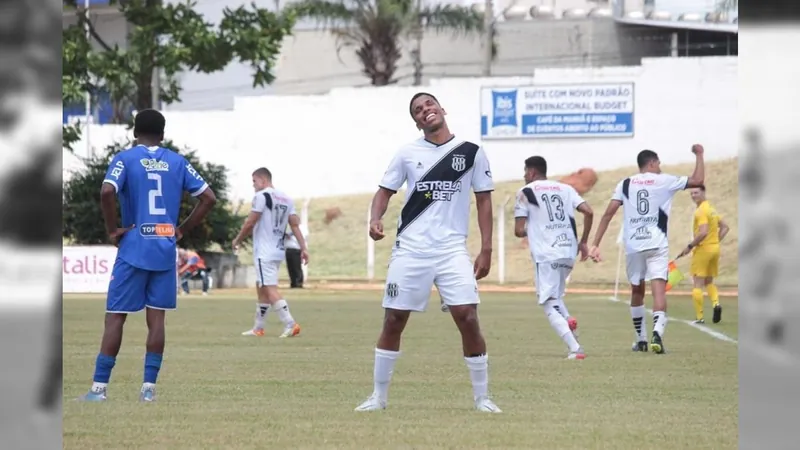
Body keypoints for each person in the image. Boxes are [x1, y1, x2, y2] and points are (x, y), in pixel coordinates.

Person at [355, 92, 500, 413]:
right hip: (411, 249)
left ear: (442, 109)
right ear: (416, 121)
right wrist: (375, 218)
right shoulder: (407, 153)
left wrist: (486, 247)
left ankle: (483, 398)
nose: (425, 111)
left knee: (468, 316)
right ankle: (378, 398)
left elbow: (485, 200)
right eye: (418, 110)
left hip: (451, 249)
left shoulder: (471, 152)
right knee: (394, 319)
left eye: (429, 105)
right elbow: (384, 192)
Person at [79, 109, 217, 402]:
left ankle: (99, 390)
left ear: (134, 132)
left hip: (133, 248)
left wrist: (113, 229)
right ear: (163, 134)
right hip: (164, 250)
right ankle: (148, 391)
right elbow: (209, 198)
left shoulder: (125, 159)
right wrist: (180, 230)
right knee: (156, 321)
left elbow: (106, 192)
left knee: (115, 317)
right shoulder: (177, 162)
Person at [589, 145, 705, 354]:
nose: (660, 167)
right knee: (658, 289)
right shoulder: (665, 180)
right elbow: (698, 180)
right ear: (651, 162)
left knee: (637, 290)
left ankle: (640, 339)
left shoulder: (624, 184)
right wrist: (699, 155)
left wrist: (596, 243)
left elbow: (608, 214)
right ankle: (657, 335)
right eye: (658, 163)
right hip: (657, 244)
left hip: (634, 245)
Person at [513, 156, 593, 360]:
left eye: (525, 172)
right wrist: (583, 242)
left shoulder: (526, 192)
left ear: (531, 172)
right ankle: (567, 319)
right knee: (555, 297)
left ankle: (575, 348)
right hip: (568, 251)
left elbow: (518, 230)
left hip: (547, 253)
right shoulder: (565, 189)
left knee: (547, 302)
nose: (524, 176)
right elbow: (588, 211)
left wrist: (533, 228)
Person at [233, 167, 308, 338]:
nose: (253, 185)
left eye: (254, 181)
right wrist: (303, 247)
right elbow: (295, 224)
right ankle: (258, 327)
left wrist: (237, 239)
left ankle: (290, 323)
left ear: (263, 180)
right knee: (262, 286)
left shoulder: (261, 197)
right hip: (278, 250)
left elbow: (251, 221)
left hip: (264, 251)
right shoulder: (287, 198)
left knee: (269, 287)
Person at [677, 185, 730, 324]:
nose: (693, 195)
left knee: (697, 283)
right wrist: (715, 241)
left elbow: (703, 232)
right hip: (714, 249)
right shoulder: (711, 209)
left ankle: (699, 317)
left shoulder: (701, 211)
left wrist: (690, 246)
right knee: (709, 281)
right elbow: (725, 227)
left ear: (703, 192)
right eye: (691, 193)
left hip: (703, 250)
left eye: (696, 192)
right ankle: (716, 304)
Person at [284, 223, 307, 288]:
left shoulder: (302, 227)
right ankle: (293, 282)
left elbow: (303, 236)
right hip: (288, 249)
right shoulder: (288, 227)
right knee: (290, 268)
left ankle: (299, 283)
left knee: (296, 267)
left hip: (296, 249)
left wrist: (291, 234)